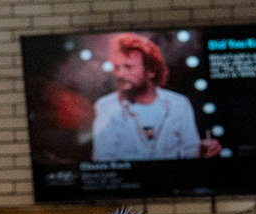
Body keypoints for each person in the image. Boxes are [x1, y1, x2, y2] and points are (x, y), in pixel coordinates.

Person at [89, 34, 222, 163]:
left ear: (151, 71)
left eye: (128, 67)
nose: (120, 74)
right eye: (117, 68)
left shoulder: (179, 104)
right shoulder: (106, 106)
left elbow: (190, 152)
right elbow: (102, 160)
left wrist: (202, 150)